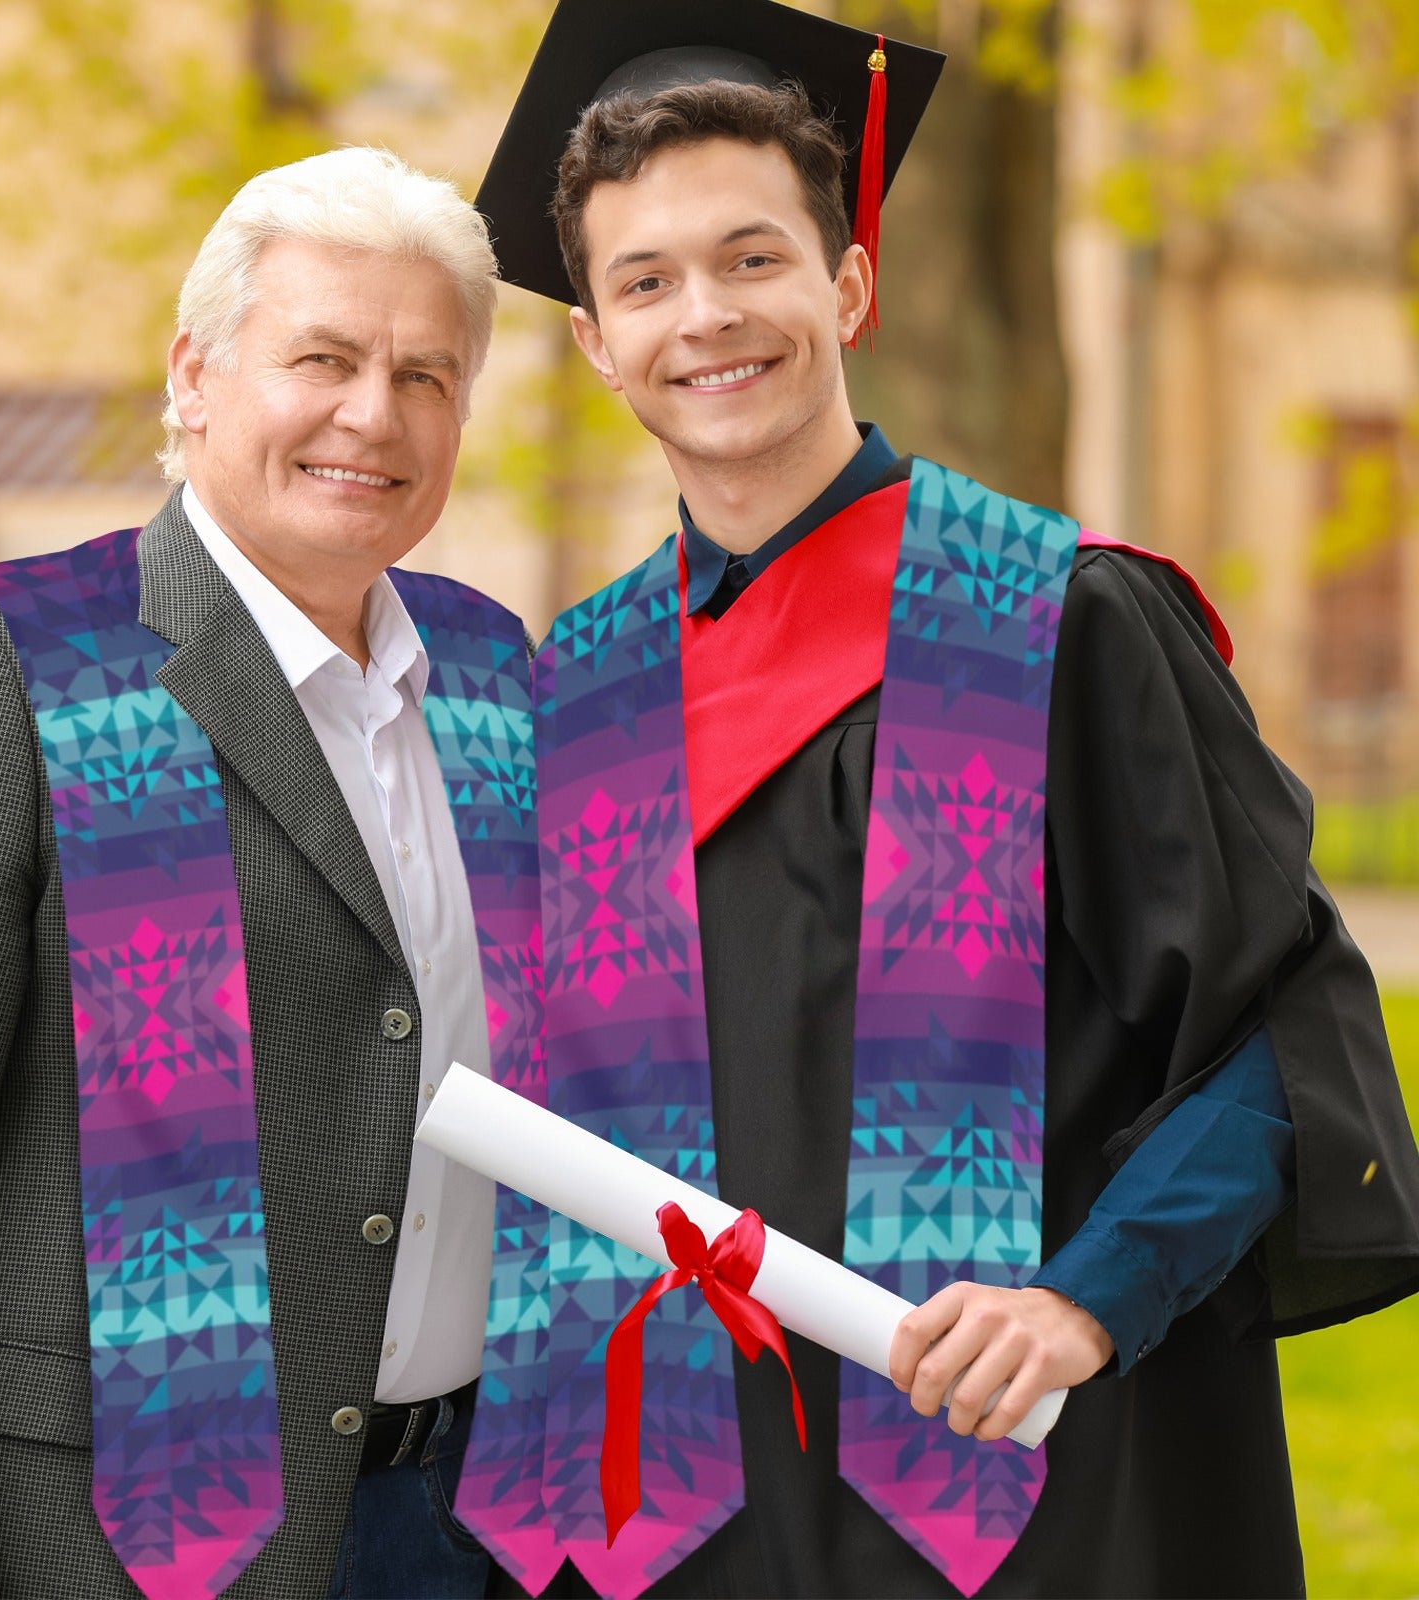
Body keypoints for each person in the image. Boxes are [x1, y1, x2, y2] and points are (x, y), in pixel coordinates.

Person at [450, 3, 1419, 1597]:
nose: (707, 316)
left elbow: (1279, 1034)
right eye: (647, 281)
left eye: (754, 259)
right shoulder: (580, 695)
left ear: (848, 282)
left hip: (1024, 1491)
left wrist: (1088, 1299)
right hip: (683, 1526)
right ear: (596, 342)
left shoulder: (1060, 622)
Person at [0, 146, 541, 1600]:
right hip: (116, 1549)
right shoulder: (12, 665)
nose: (372, 414)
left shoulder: (489, 673)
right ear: (195, 376)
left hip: (468, 1530)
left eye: (425, 375)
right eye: (322, 357)